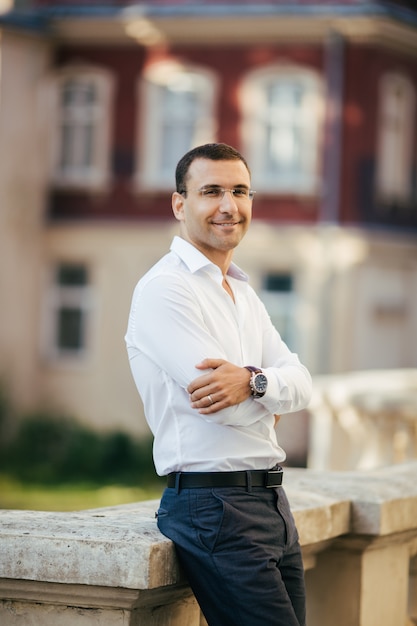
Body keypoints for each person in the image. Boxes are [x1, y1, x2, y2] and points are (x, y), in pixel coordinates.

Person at [125, 143, 312, 626]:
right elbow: (223, 408)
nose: (229, 206)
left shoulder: (243, 292)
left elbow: (304, 384)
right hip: (214, 505)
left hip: (272, 502)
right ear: (179, 204)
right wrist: (269, 393)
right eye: (211, 191)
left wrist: (251, 381)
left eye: (240, 191)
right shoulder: (166, 289)